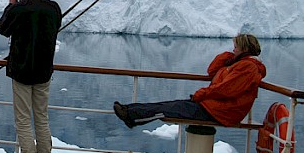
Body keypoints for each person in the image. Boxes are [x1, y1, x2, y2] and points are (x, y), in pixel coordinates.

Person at [113, 33, 266, 128]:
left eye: (236, 47)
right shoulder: (239, 63)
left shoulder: (248, 67)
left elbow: (226, 89)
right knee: (170, 105)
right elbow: (212, 71)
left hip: (220, 112)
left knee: (168, 109)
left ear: (244, 49)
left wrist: (201, 94)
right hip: (214, 106)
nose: (233, 50)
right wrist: (229, 57)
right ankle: (128, 110)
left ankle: (131, 117)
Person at [0, 0, 62, 153]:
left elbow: (2, 28)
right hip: (44, 72)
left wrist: (10, 6)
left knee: (23, 120)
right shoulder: (53, 8)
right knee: (41, 118)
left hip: (22, 72)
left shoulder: (19, 9)